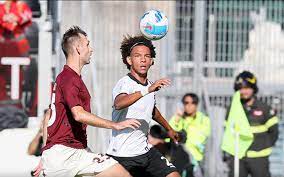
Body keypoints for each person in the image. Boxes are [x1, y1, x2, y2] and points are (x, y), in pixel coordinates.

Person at [33, 26, 142, 177]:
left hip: (70, 153)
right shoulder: (70, 79)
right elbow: (78, 114)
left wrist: (45, 155)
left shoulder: (66, 78)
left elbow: (48, 118)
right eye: (88, 44)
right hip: (65, 155)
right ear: (78, 48)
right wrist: (115, 125)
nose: (91, 49)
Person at [106, 35, 180, 177]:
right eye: (137, 56)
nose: (143, 59)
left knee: (173, 175)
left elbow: (152, 111)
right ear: (129, 60)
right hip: (122, 155)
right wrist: (147, 90)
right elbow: (119, 103)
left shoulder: (149, 86)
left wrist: (169, 129)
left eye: (147, 56)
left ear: (152, 61)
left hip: (145, 152)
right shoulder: (125, 83)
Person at [222, 71, 279, 177]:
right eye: (241, 88)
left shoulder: (264, 108)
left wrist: (264, 147)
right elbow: (228, 131)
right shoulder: (233, 108)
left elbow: (274, 132)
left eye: (247, 87)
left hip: (259, 158)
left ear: (254, 88)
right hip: (238, 157)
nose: (244, 91)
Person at [169, 93, 211, 177]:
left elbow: (200, 138)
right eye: (186, 102)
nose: (189, 105)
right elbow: (169, 134)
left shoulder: (204, 120)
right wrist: (177, 120)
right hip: (179, 158)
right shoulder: (177, 118)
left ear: (196, 104)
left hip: (195, 160)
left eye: (193, 103)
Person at [0, 0, 32, 102]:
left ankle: (16, 104)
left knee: (18, 77)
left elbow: (27, 16)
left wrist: (16, 17)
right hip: (2, 49)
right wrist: (3, 18)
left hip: (18, 50)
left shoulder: (20, 6)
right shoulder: (1, 7)